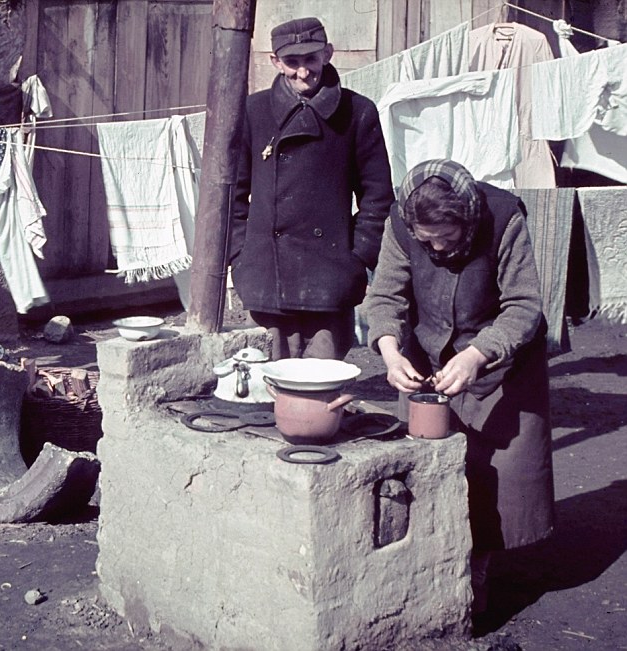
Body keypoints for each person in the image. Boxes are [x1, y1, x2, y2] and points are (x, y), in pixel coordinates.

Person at [363, 159, 555, 615]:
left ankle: (477, 573)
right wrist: (391, 352)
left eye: (444, 240)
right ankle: (430, 565)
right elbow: (386, 295)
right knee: (425, 468)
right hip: (429, 359)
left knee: (495, 480)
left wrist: (477, 355)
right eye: (424, 241)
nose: (434, 250)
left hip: (499, 362)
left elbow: (524, 306)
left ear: (466, 220)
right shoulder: (401, 222)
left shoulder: (504, 219)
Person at [229, 16, 394, 361]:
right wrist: (240, 254)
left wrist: (358, 256)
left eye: (311, 60)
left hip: (329, 275)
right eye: (292, 62)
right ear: (275, 62)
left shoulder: (358, 112)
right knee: (267, 384)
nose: (302, 72)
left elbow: (377, 196)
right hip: (265, 273)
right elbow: (232, 194)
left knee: (318, 387)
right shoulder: (254, 111)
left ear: (328, 54)